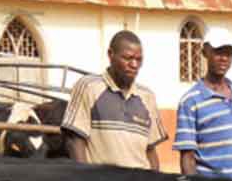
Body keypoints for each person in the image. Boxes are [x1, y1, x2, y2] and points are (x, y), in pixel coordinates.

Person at [61, 30, 167, 170]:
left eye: (139, 59)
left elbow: (150, 150)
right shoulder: (89, 87)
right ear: (110, 55)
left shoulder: (147, 96)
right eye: (128, 58)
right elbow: (74, 141)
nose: (134, 65)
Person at [173, 27, 232, 181]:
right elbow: (187, 158)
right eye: (218, 52)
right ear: (205, 52)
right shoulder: (191, 100)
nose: (224, 58)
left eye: (228, 53)